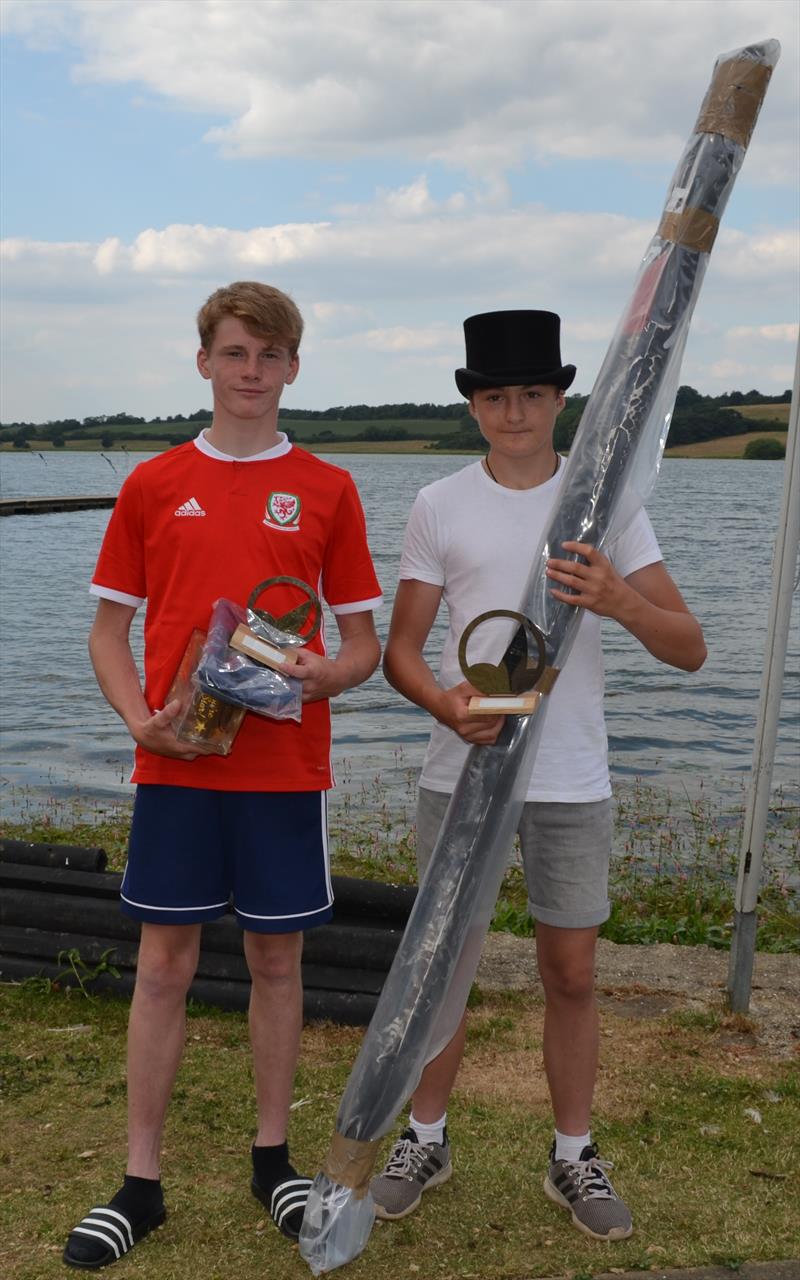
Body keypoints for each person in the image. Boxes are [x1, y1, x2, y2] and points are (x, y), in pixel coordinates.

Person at [64, 281, 382, 1270]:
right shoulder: (153, 482)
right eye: (235, 352)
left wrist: (329, 671)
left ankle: (272, 1160)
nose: (251, 372)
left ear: (293, 366)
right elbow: (107, 632)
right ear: (203, 361)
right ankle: (139, 1181)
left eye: (270, 354)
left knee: (277, 963)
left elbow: (361, 643)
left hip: (284, 768)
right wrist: (140, 723)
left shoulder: (328, 487)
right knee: (162, 966)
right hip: (177, 767)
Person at [369, 310, 706, 1242]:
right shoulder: (439, 503)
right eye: (493, 396)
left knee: (571, 971)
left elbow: (691, 650)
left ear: (562, 400)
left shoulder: (606, 507)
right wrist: (444, 705)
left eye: (530, 394)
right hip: (462, 770)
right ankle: (424, 1138)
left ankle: (573, 1156)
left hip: (569, 778)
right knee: (442, 971)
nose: (512, 411)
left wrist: (621, 599)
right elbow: (402, 652)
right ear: (472, 406)